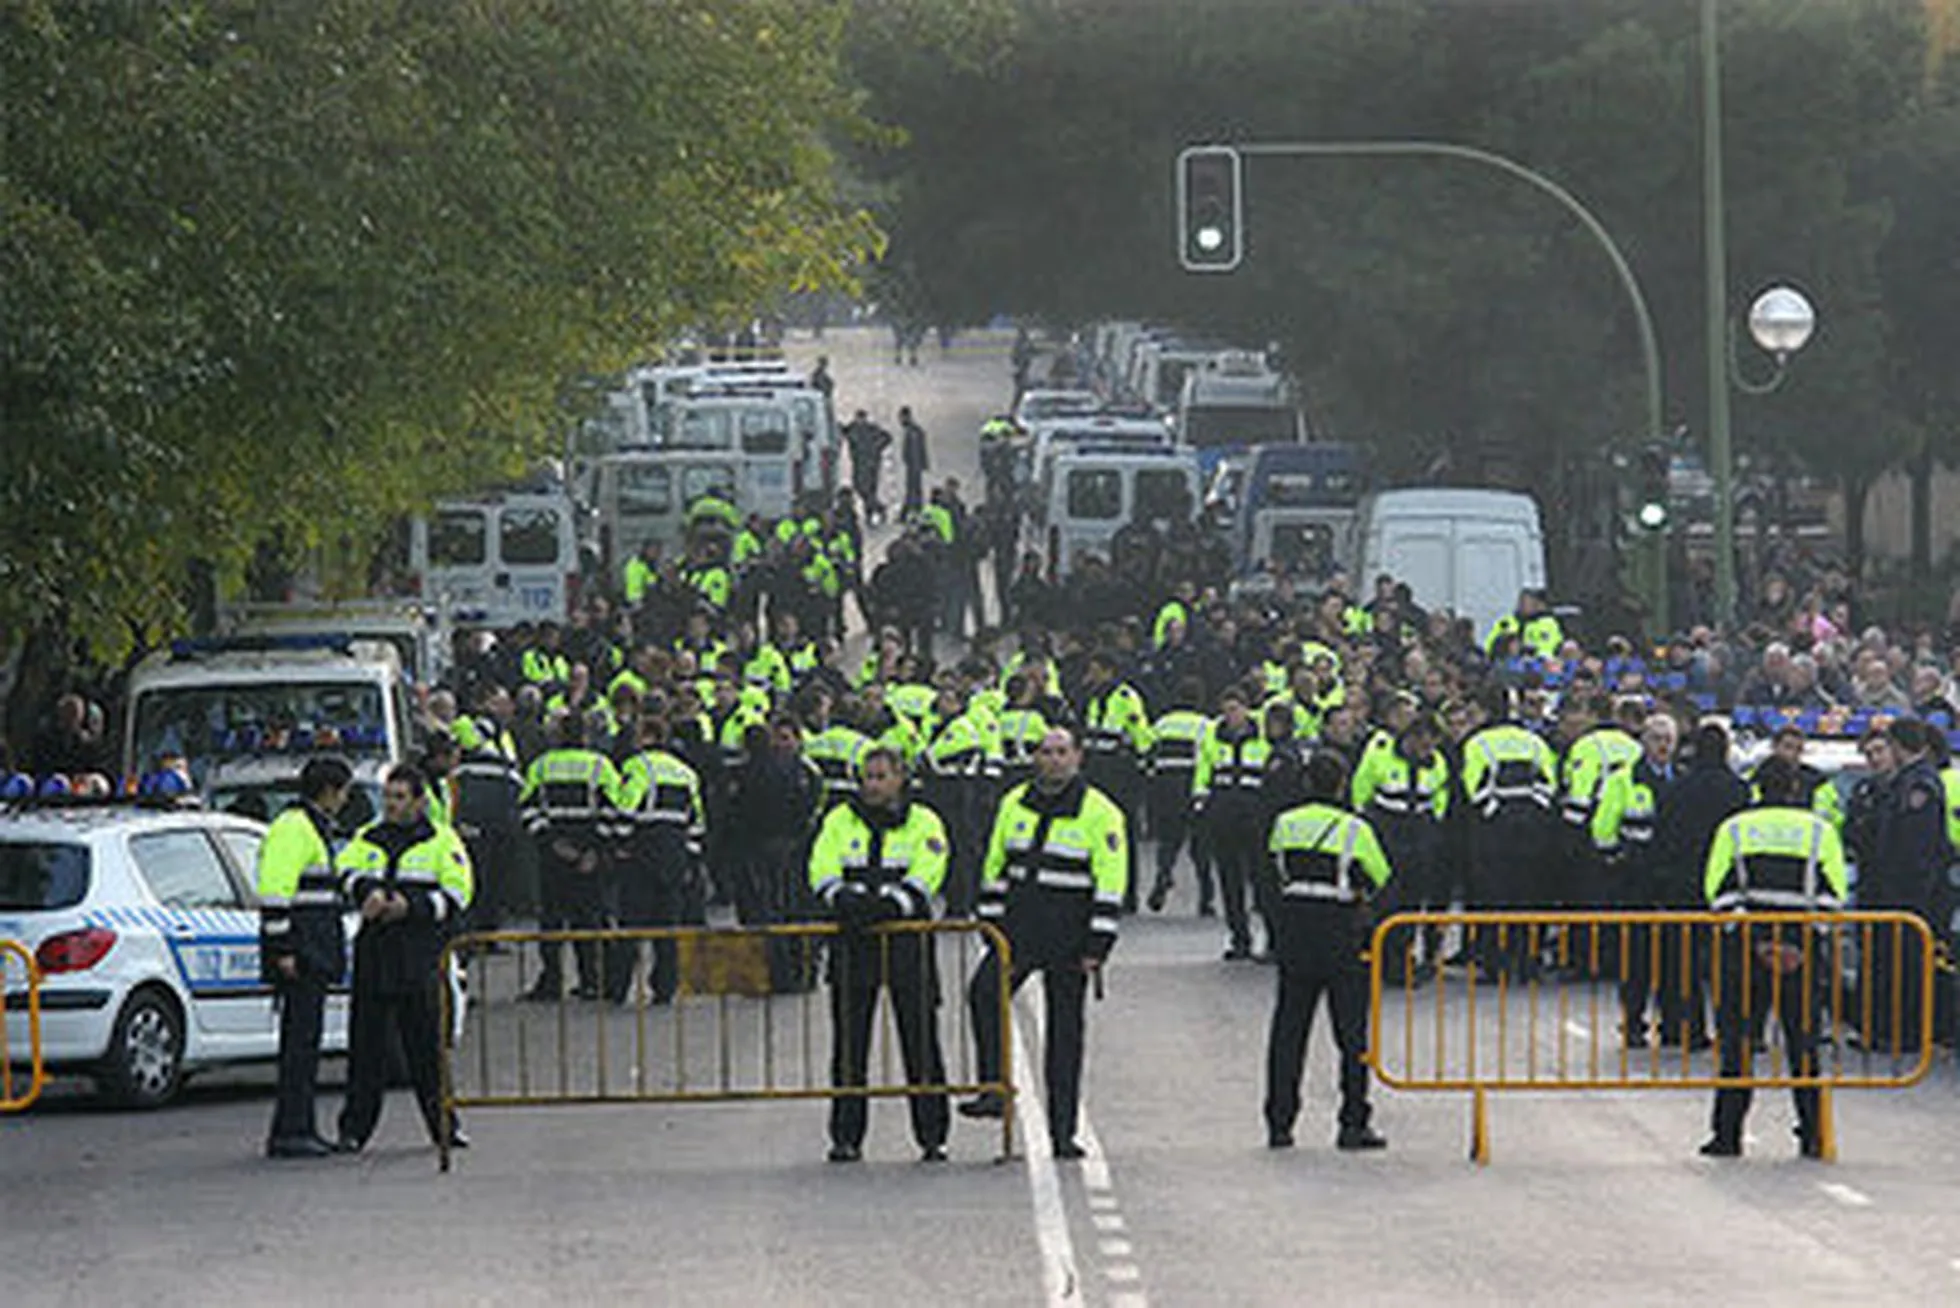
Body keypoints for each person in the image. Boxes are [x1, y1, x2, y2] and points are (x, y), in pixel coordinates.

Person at [960, 726, 1128, 1160]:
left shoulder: (1101, 812)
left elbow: (1110, 883)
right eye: (1045, 752)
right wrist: (990, 922)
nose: (1053, 759)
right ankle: (994, 1087)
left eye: (1061, 752)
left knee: (1064, 1036)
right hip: (1018, 929)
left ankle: (1062, 1133)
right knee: (982, 994)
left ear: (1078, 758)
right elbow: (995, 865)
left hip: (1070, 936)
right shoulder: (1013, 802)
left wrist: (1098, 944)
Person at [1698, 756, 1847, 1159]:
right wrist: (1796, 945)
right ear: (1797, 789)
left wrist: (1760, 942)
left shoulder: (1735, 829)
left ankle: (1727, 1136)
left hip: (1745, 955)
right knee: (1803, 1048)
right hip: (1801, 958)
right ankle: (1815, 1135)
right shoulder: (1820, 831)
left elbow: (1718, 893)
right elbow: (1833, 899)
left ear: (1757, 788)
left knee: (1738, 1046)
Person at [808, 747, 952, 1163]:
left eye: (880, 776)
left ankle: (932, 1135)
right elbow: (821, 867)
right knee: (850, 1046)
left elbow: (929, 870)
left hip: (907, 942)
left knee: (921, 1041)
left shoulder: (925, 821)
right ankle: (846, 1137)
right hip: (854, 946)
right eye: (867, 777)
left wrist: (892, 904)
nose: (871, 785)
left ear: (900, 778)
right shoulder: (838, 820)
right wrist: (843, 898)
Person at [334, 764, 474, 1154]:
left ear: (419, 801)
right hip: (375, 951)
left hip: (418, 954)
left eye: (399, 797)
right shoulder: (368, 836)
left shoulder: (442, 841)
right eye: (388, 797)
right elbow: (343, 870)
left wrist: (409, 907)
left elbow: (459, 894)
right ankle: (354, 1130)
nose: (391, 805)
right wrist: (365, 890)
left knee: (427, 1048)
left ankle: (444, 1126)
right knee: (366, 1049)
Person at [1263, 751, 1393, 1151]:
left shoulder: (1285, 824)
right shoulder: (1355, 829)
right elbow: (1381, 877)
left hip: (1296, 934)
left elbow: (1272, 872)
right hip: (1340, 934)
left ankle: (1280, 1123)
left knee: (1288, 1033)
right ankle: (1353, 1122)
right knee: (1352, 1036)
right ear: (1342, 783)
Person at [257, 756, 355, 1159]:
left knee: (304, 1045)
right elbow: (275, 893)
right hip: (300, 954)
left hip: (307, 953)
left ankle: (299, 1127)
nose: (346, 800)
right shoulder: (294, 829)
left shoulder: (308, 827)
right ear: (330, 791)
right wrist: (282, 950)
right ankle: (292, 1131)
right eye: (345, 791)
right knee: (299, 1047)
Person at [518, 714, 624, 1000]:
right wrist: (594, 850)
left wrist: (551, 843)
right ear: (585, 736)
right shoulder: (600, 766)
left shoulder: (541, 766)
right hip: (588, 858)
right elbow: (613, 811)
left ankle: (552, 982)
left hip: (553, 857)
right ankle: (591, 981)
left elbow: (527, 811)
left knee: (551, 923)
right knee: (588, 921)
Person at [1592, 713, 1679, 1046]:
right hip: (1634, 882)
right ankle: (1632, 1023)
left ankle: (1671, 1023)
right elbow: (1603, 829)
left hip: (1668, 883)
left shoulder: (1679, 779)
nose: (1663, 745)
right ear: (1643, 741)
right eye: (1656, 738)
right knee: (1636, 957)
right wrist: (1618, 861)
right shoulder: (1623, 780)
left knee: (1671, 956)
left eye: (1668, 739)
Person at [612, 716, 706, 1006]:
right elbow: (698, 823)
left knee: (631, 925)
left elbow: (625, 808)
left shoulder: (637, 767)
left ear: (647, 737)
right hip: (674, 854)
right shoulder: (686, 773)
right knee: (668, 928)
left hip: (643, 853)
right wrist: (689, 859)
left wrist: (620, 844)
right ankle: (665, 987)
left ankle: (619, 987)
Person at [1193, 687, 1274, 960]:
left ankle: (1272, 939)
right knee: (1230, 880)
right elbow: (1203, 772)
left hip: (1255, 815)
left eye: (1236, 709)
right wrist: (1201, 805)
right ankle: (1240, 938)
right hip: (1223, 814)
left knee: (1263, 880)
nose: (1231, 716)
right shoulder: (1212, 738)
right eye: (1227, 710)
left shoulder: (1263, 737)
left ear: (1246, 709)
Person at [842, 410, 892, 526]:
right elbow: (845, 432)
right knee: (860, 488)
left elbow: (887, 437)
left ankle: (872, 512)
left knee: (868, 489)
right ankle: (877, 508)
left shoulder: (871, 429)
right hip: (859, 463)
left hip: (870, 464)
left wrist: (876, 449)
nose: (860, 421)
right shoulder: (853, 428)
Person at [900, 406, 929, 519]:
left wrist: (914, 464)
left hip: (913, 466)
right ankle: (914, 509)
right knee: (914, 488)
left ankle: (910, 511)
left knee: (912, 489)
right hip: (914, 465)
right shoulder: (915, 430)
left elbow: (915, 450)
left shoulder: (912, 432)